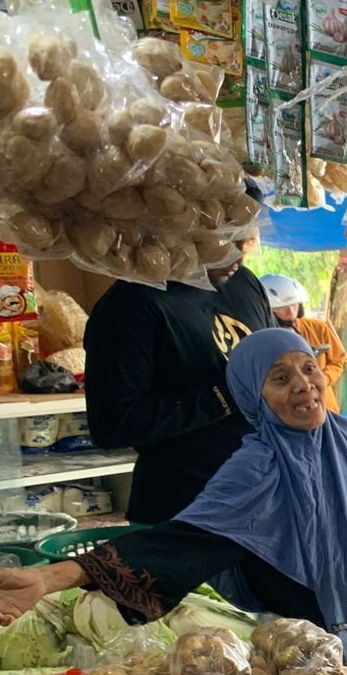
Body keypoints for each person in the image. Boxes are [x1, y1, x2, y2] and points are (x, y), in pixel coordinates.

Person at [0, 329, 347, 675]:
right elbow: (181, 546)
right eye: (279, 378)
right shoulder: (254, 468)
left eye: (308, 368)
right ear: (253, 397)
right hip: (305, 643)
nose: (303, 384)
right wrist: (50, 578)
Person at [83, 186, 274, 524]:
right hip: (182, 510)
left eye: (245, 240)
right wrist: (222, 396)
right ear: (181, 231)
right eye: (225, 240)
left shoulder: (244, 283)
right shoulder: (132, 304)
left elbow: (271, 361)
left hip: (259, 499)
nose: (237, 256)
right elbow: (112, 425)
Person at [262, 274, 347, 412]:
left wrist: (323, 379)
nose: (290, 311)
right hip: (291, 409)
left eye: (294, 305)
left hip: (326, 406)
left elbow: (338, 359)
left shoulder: (318, 328)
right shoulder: (264, 338)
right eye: (282, 307)